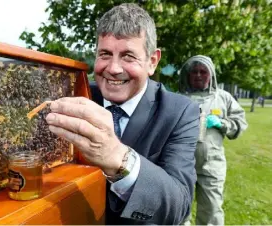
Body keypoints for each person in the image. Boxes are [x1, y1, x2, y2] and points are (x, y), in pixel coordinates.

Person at [45, 3, 200, 224]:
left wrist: (118, 158)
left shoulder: (180, 112)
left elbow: (178, 207)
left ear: (152, 61)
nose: (114, 68)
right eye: (105, 54)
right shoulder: (76, 97)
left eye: (128, 56)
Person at [179, 55, 248, 225]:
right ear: (188, 74)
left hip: (212, 165)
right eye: (194, 71)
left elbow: (240, 122)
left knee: (211, 209)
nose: (198, 75)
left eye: (203, 71)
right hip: (181, 164)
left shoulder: (223, 98)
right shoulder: (178, 98)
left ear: (211, 75)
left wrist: (222, 124)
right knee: (179, 208)